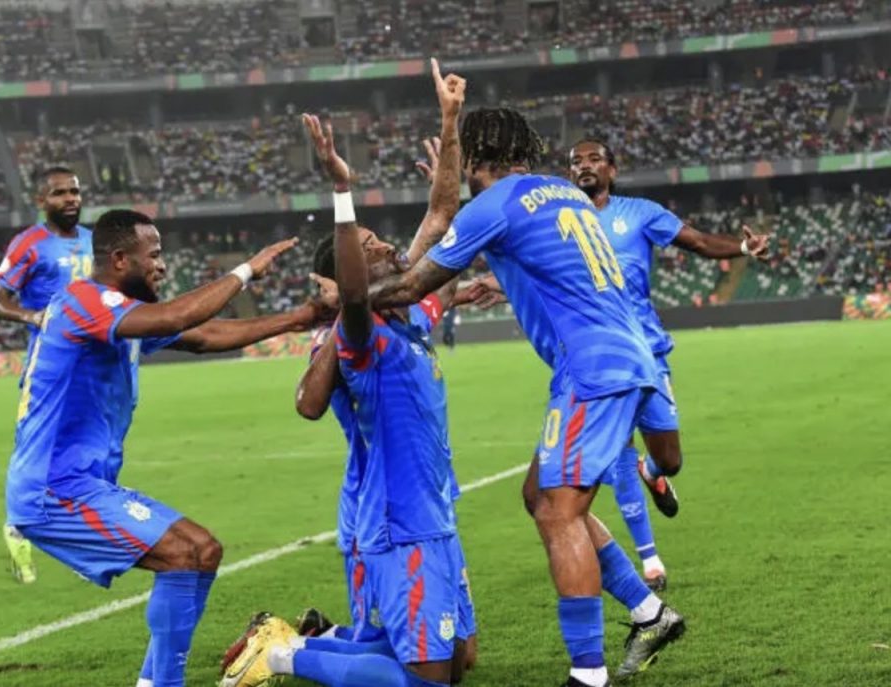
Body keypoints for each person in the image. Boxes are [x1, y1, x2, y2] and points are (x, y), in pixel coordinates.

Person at [362, 107, 686, 685]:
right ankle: (649, 613)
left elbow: (412, 284)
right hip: (629, 353)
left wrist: (340, 305)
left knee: (560, 513)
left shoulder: (494, 204)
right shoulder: (563, 192)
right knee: (539, 495)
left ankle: (588, 674)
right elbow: (557, 269)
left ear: (474, 158)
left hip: (591, 368)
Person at [223, 64, 469, 687]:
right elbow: (352, 306)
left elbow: (443, 216)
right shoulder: (363, 336)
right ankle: (279, 656)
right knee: (426, 681)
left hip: (435, 514)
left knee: (459, 663)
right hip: (397, 521)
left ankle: (308, 641)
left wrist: (450, 121)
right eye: (369, 244)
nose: (386, 246)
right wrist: (342, 189)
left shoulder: (412, 314)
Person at [5, 208, 319, 687]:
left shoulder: (118, 313)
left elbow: (204, 335)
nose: (162, 265)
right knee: (181, 554)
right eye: (152, 255)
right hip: (53, 490)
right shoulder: (83, 302)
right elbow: (178, 314)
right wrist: (246, 271)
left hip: (82, 484)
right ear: (119, 259)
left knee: (202, 550)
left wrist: (299, 318)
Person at [566, 138, 770, 589]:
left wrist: (743, 246)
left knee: (670, 459)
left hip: (647, 350)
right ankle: (650, 560)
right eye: (576, 162)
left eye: (594, 159)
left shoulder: (639, 213)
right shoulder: (557, 223)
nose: (584, 166)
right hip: (597, 356)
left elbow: (696, 241)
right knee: (619, 451)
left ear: (612, 170)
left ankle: (653, 473)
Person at [0, 165, 93, 585]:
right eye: (60, 193)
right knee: (37, 448)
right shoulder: (29, 243)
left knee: (86, 455)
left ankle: (84, 542)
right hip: (50, 364)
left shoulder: (94, 241)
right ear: (41, 200)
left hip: (95, 367)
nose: (70, 199)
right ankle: (18, 529)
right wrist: (34, 316)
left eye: (74, 192)